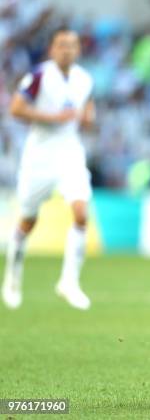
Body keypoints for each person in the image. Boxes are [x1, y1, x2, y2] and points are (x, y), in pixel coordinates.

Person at [2, 27, 95, 311]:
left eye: (72, 45)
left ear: (78, 50)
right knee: (28, 221)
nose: (67, 49)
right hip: (39, 157)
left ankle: (69, 281)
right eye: (61, 45)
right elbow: (16, 109)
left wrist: (87, 118)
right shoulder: (39, 76)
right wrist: (53, 117)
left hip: (70, 153)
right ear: (52, 49)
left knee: (81, 213)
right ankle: (13, 277)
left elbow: (88, 111)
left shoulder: (84, 79)